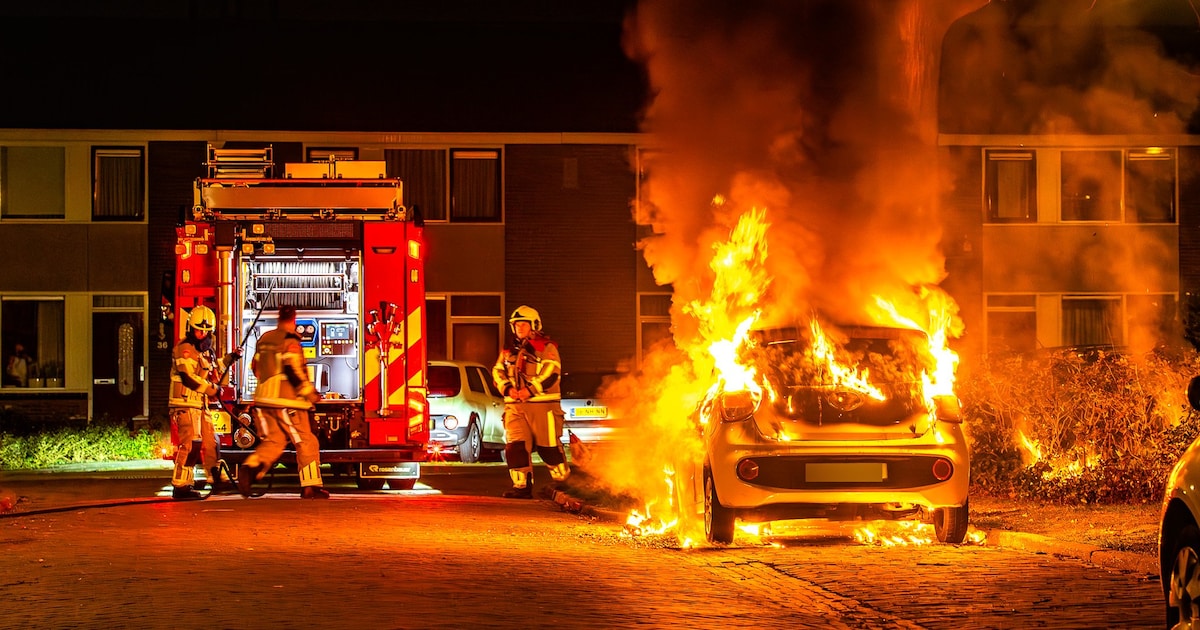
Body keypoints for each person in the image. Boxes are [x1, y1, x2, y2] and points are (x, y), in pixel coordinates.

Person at [238, 304, 329, 499]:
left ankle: (250, 468)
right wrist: (311, 394)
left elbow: (255, 367)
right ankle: (311, 486)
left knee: (275, 441)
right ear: (294, 320)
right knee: (306, 441)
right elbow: (292, 370)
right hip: (287, 402)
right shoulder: (291, 340)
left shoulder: (264, 339)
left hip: (263, 401)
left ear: (278, 318)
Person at [492, 305, 570, 499]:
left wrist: (530, 390)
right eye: (516, 324)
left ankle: (564, 482)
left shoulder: (547, 347)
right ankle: (521, 487)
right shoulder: (508, 351)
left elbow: (551, 373)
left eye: (524, 324)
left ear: (534, 325)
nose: (519, 328)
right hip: (515, 406)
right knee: (515, 447)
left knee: (548, 448)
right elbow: (497, 371)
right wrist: (508, 389)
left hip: (543, 406)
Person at [169, 305, 240, 500]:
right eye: (198, 330)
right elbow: (188, 378)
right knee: (191, 445)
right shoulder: (184, 349)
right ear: (190, 329)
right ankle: (181, 485)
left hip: (200, 405)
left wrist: (232, 357)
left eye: (206, 331)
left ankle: (215, 477)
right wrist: (212, 389)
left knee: (212, 441)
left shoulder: (205, 352)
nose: (202, 335)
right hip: (184, 404)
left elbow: (215, 367)